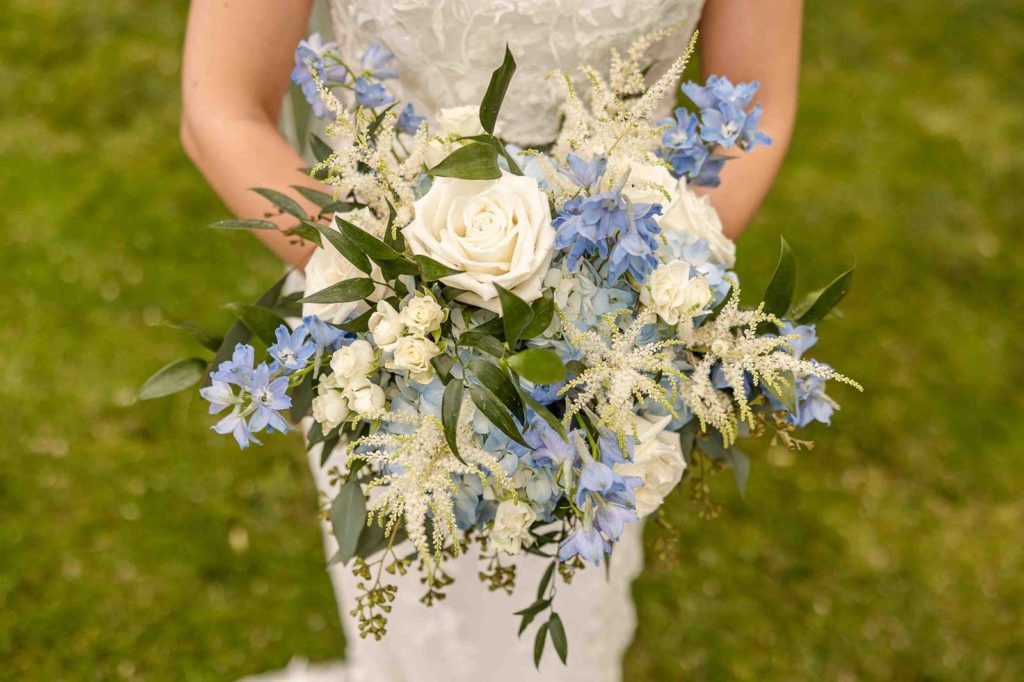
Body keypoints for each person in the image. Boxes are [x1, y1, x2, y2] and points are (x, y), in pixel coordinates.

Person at [180, 2, 803, 680]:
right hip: (391, 340)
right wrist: (396, 298)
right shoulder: (390, 322)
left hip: (607, 345)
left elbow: (756, 107)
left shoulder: (617, 343)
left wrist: (656, 290)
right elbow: (222, 106)